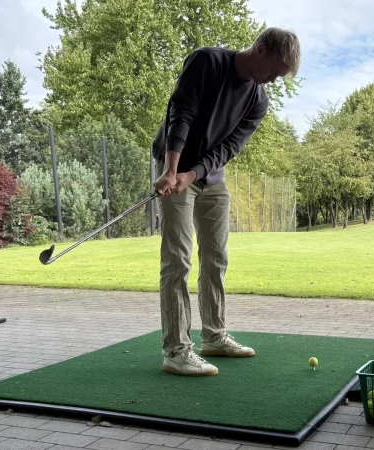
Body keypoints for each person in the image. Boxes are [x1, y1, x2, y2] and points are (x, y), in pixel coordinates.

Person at [151, 27, 301, 376]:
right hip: (173, 170)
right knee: (177, 260)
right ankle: (176, 350)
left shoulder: (259, 99)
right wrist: (174, 170)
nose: (273, 81)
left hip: (210, 177)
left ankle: (214, 336)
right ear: (260, 48)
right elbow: (181, 112)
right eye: (273, 71)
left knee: (216, 257)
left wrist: (195, 173)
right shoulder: (208, 62)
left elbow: (230, 147)